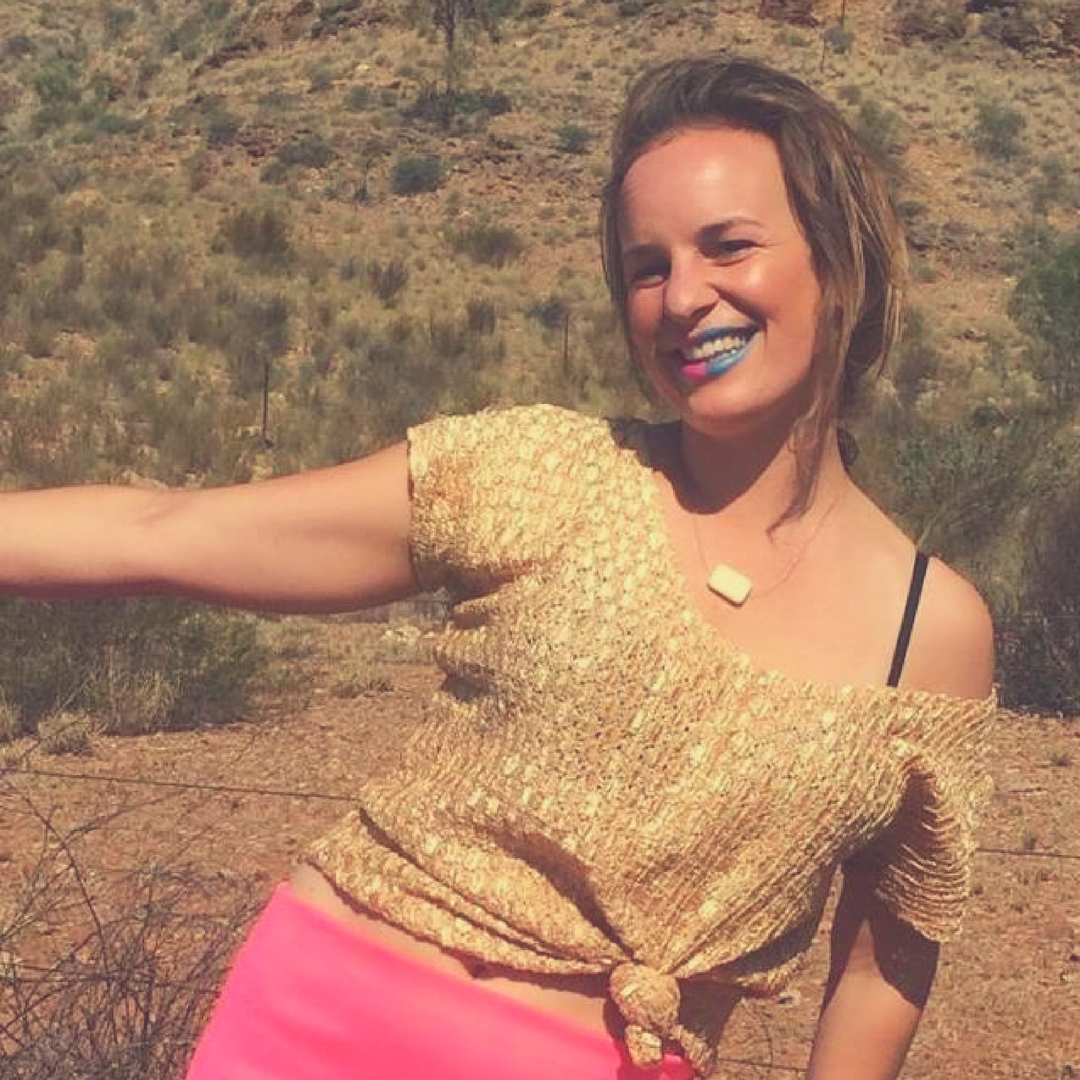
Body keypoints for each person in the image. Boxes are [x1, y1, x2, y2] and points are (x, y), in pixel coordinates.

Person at [0, 55, 995, 1080]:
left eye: (728, 246)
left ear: (840, 263)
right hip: (314, 1031)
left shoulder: (932, 633)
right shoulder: (541, 473)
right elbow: (168, 530)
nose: (683, 297)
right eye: (645, 268)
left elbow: (883, 964)